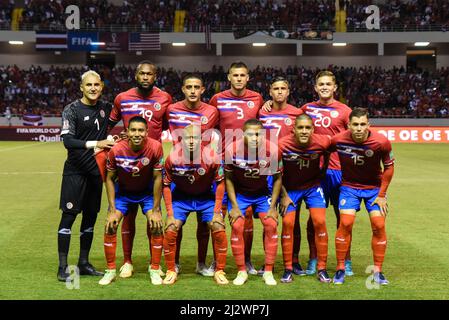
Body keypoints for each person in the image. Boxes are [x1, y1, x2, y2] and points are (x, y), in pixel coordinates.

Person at [107, 60, 172, 279]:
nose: (145, 77)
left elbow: (170, 127)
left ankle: (155, 264)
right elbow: (107, 125)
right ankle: (127, 262)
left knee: (154, 216)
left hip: (152, 165)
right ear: (136, 75)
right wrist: (112, 140)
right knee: (128, 217)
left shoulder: (164, 98)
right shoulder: (122, 98)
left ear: (155, 76)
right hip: (127, 164)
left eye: (150, 74)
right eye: (142, 73)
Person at [57, 70, 115, 281]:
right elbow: (68, 142)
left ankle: (83, 263)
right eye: (88, 85)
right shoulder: (71, 110)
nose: (93, 88)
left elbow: (112, 127)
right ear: (81, 87)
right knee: (69, 217)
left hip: (96, 175)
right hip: (75, 173)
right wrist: (96, 143)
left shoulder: (106, 108)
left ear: (101, 87)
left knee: (90, 219)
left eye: (96, 85)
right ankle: (63, 267)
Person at [209, 61, 264, 275]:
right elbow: (209, 126)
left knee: (247, 213)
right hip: (224, 162)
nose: (239, 78)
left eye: (243, 75)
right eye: (235, 75)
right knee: (219, 213)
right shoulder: (218, 99)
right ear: (229, 77)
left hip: (249, 163)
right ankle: (217, 260)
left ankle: (247, 261)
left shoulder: (257, 99)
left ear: (248, 77)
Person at [329, 108, 394, 285]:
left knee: (379, 225)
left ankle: (378, 272)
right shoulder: (338, 140)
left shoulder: (381, 142)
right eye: (355, 124)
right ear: (348, 125)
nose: (359, 128)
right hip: (349, 188)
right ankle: (340, 268)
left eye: (362, 124)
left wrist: (382, 194)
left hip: (374, 189)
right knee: (345, 223)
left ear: (368, 125)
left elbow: (389, 167)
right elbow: (323, 152)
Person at [99, 116, 165, 286]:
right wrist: (112, 209)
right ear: (127, 132)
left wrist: (157, 209)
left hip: (147, 194)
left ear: (147, 132)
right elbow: (109, 179)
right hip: (124, 194)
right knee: (110, 224)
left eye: (141, 130)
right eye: (133, 130)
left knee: (157, 226)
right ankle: (111, 270)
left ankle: (155, 268)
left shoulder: (156, 147)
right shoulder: (116, 150)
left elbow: (158, 178)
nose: (137, 134)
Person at [299, 71, 353, 276]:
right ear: (315, 87)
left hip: (340, 171)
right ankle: (314, 259)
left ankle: (345, 260)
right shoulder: (307, 109)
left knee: (344, 219)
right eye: (321, 84)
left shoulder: (345, 110)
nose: (324, 87)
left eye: (328, 84)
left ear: (335, 87)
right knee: (315, 219)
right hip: (315, 172)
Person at [166, 73, 220, 277]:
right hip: (179, 171)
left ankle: (201, 263)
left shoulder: (212, 111)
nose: (192, 90)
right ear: (182, 89)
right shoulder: (171, 109)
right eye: (189, 87)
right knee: (175, 224)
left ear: (203, 90)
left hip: (204, 171)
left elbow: (231, 127)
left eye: (196, 87)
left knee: (204, 223)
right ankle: (175, 263)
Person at [162, 124, 228, 285]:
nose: (191, 141)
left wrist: (217, 211)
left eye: (195, 138)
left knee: (218, 226)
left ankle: (219, 270)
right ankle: (171, 269)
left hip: (205, 198)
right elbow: (165, 185)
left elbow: (220, 184)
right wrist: (170, 214)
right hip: (181, 198)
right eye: (188, 138)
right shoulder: (172, 158)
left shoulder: (212, 157)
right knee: (171, 228)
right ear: (181, 140)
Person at [225, 119, 282, 286]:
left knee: (271, 224)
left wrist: (273, 207)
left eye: (258, 134)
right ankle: (241, 271)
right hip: (241, 194)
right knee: (237, 226)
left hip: (262, 193)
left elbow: (277, 179)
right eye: (250, 134)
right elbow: (228, 179)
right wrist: (234, 206)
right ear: (243, 135)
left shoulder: (272, 150)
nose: (255, 138)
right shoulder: (232, 150)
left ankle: (269, 272)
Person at [257, 76, 304, 275]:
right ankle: (268, 261)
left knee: (293, 218)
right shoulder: (262, 112)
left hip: (291, 172)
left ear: (288, 91)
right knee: (269, 218)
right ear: (270, 91)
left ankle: (294, 260)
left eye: (283, 88)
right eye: (275, 88)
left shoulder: (297, 113)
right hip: (267, 169)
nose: (279, 92)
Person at [278, 114, 331, 283]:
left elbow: (330, 152)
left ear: (313, 130)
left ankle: (322, 268)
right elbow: (275, 173)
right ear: (293, 129)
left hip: (312, 188)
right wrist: (284, 196)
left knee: (320, 222)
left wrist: (323, 172)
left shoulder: (322, 142)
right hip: (290, 189)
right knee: (288, 223)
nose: (304, 131)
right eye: (300, 128)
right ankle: (288, 268)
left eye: (308, 128)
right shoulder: (282, 145)